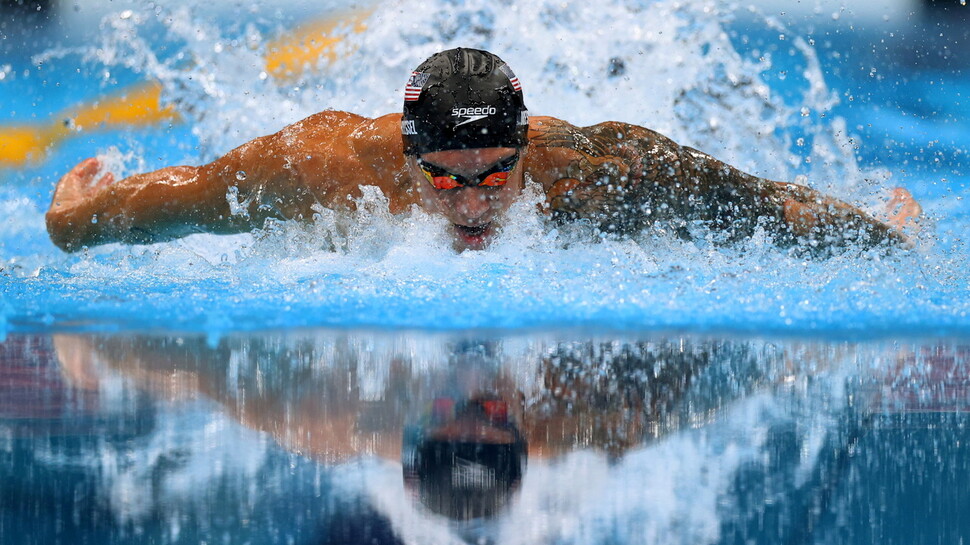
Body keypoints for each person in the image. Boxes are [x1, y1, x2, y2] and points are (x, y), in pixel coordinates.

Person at [46, 47, 922, 254]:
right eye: (448, 181)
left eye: (497, 176)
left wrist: (883, 234)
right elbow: (183, 196)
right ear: (405, 153)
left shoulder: (600, 168)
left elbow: (769, 206)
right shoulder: (317, 168)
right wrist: (75, 218)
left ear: (528, 145)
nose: (472, 205)